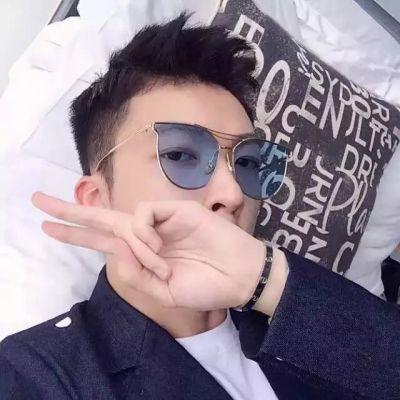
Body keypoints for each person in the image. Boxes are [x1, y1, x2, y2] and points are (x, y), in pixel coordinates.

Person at [0, 13, 399, 400]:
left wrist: (265, 281)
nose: (233, 193)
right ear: (97, 200)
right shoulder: (34, 373)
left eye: (248, 163)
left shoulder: (300, 308)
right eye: (181, 155)